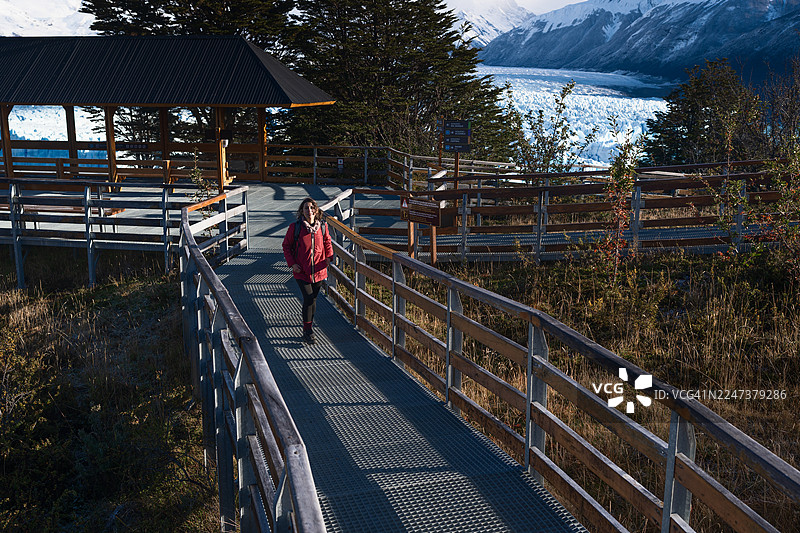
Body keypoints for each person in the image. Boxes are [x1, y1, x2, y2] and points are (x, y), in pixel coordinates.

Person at [282, 197, 334, 344]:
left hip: (319, 270)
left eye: (312, 208)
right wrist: (292, 264)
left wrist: (329, 257)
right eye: (306, 208)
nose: (309, 210)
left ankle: (308, 326)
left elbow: (327, 241)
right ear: (302, 211)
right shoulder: (295, 227)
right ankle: (307, 330)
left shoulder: (322, 226)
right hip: (301, 271)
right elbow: (286, 246)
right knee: (308, 298)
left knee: (313, 299)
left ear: (316, 210)